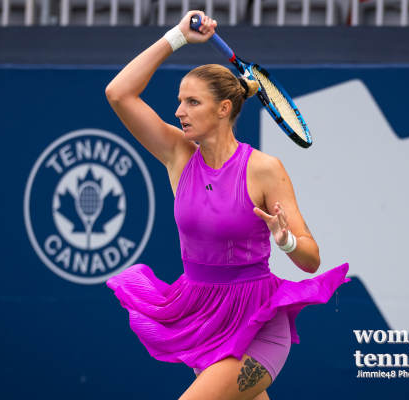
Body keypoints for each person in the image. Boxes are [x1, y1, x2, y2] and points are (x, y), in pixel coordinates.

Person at [104, 10, 350, 400]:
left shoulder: (264, 170)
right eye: (179, 101)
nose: (179, 111)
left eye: (192, 102)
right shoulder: (177, 155)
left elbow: (310, 260)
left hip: (258, 326)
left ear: (223, 109)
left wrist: (285, 241)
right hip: (204, 319)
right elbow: (118, 94)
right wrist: (178, 37)